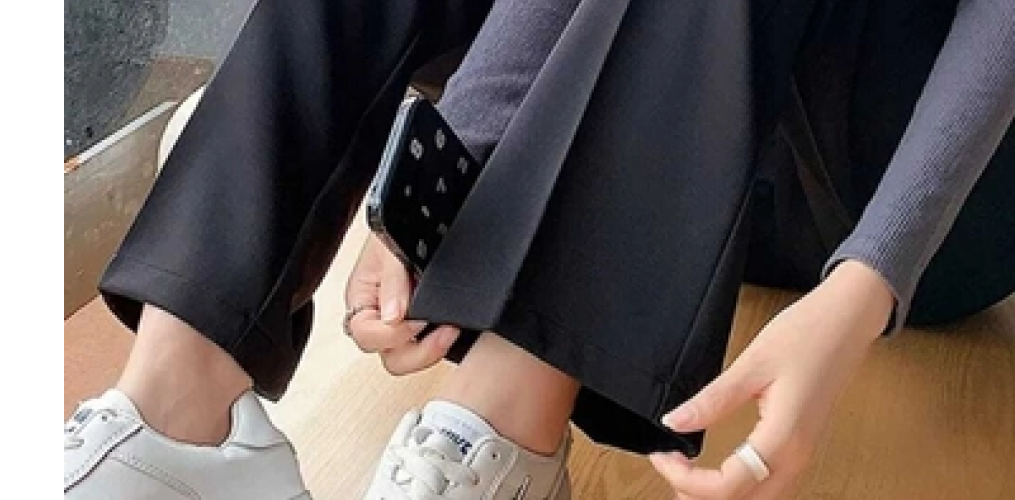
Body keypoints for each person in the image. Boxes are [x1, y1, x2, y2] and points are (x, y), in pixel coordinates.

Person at [61, 0, 1015, 498]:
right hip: (679, 139)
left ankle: (500, 441)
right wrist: (442, 177)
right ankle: (175, 420)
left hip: (919, 192)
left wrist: (872, 273)